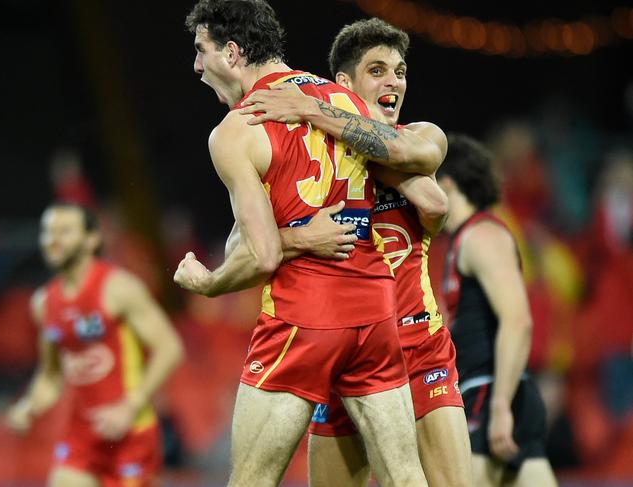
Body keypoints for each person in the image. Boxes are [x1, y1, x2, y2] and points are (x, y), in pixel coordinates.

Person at [174, 1, 447, 486]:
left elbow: (262, 255)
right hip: (375, 313)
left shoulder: (235, 132)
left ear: (232, 53)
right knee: (406, 478)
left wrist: (209, 283)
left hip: (304, 317)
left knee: (251, 479)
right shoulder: (346, 103)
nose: (196, 66)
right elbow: (425, 184)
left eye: (202, 50)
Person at [240, 17, 472, 487]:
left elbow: (433, 198)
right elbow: (250, 242)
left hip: (419, 348)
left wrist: (312, 111)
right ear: (343, 83)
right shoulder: (308, 160)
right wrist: (302, 236)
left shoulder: (422, 133)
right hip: (345, 354)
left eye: (400, 71)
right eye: (379, 70)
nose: (394, 82)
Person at [6, 203, 184, 487]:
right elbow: (51, 376)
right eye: (47, 231)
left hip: (131, 432)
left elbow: (170, 348)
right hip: (81, 435)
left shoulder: (119, 288)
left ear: (92, 239)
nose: (53, 239)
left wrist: (129, 406)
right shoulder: (43, 303)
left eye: (64, 231)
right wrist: (29, 406)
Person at [439, 134, 557, 486]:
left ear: (446, 183)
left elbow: (517, 321)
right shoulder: (464, 240)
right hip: (498, 395)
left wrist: (500, 406)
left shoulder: (482, 237)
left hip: (490, 395)